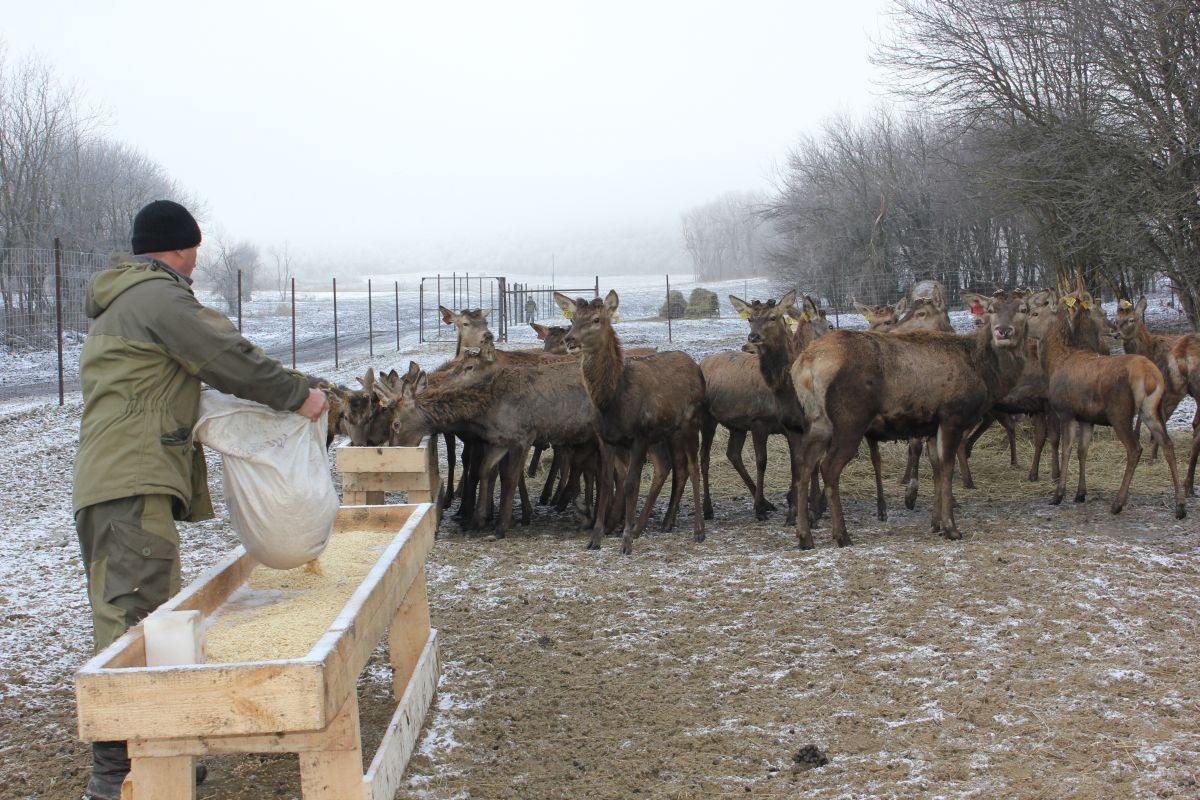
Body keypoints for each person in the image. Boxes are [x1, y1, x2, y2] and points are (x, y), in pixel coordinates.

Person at [73, 200, 328, 800]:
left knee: (139, 611)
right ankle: (118, 777)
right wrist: (297, 396)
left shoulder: (126, 300)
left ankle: (161, 754)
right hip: (129, 481)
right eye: (194, 249)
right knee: (134, 620)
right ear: (182, 248)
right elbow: (225, 357)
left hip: (115, 479)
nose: (196, 261)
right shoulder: (159, 299)